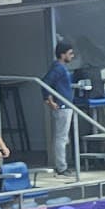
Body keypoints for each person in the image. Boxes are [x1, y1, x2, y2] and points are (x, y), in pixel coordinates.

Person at [42, 42, 76, 178]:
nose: (72, 56)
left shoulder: (61, 68)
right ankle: (61, 167)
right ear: (62, 55)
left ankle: (62, 165)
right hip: (62, 106)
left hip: (67, 105)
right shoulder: (58, 68)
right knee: (61, 138)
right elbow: (45, 83)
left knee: (63, 137)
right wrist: (49, 100)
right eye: (70, 53)